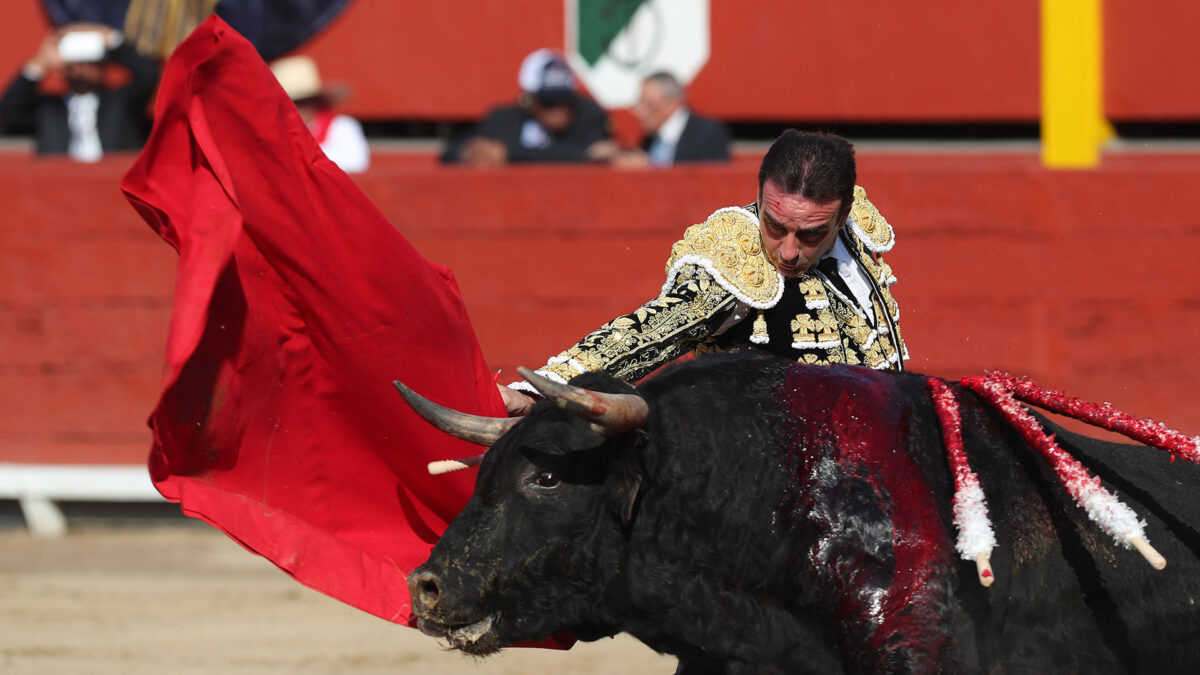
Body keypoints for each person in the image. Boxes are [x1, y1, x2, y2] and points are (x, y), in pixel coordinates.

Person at [501, 130, 908, 415]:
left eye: (810, 234)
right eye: (774, 225)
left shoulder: (856, 232)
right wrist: (539, 392)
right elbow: (652, 331)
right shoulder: (734, 257)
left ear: (843, 216)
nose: (786, 251)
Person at [0, 23, 159, 160]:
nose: (83, 69)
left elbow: (149, 74)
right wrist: (41, 63)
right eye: (76, 64)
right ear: (63, 68)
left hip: (112, 186)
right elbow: (10, 108)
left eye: (91, 63)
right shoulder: (49, 109)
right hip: (56, 188)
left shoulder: (121, 103)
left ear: (103, 66)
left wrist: (112, 39)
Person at [441, 48, 612, 166]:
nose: (560, 109)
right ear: (528, 100)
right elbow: (451, 152)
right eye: (549, 101)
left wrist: (509, 154)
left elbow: (589, 155)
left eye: (565, 99)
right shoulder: (504, 120)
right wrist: (472, 153)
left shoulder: (589, 117)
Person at [270, 55, 369, 173]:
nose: (296, 109)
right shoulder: (272, 131)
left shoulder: (341, 126)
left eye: (302, 102)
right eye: (288, 104)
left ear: (315, 102)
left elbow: (356, 162)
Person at [614, 71, 730, 168]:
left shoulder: (708, 134)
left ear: (670, 105)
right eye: (639, 104)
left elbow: (712, 184)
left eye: (649, 105)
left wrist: (649, 166)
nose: (639, 112)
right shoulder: (650, 138)